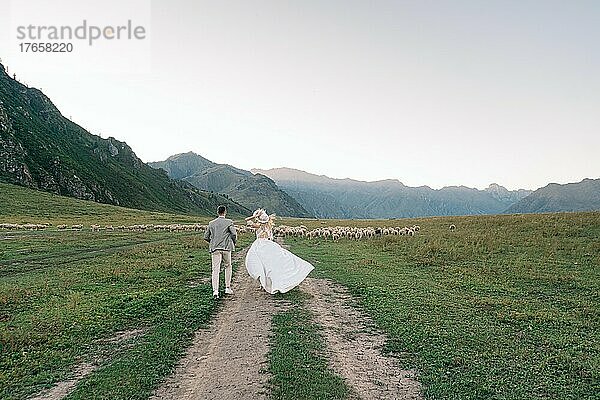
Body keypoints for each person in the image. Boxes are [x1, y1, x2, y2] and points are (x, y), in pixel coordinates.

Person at [245, 209, 314, 294]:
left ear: (258, 218)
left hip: (259, 246)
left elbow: (246, 220)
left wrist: (254, 216)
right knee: (270, 265)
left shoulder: (258, 226)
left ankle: (263, 284)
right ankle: (269, 283)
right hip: (269, 245)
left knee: (261, 265)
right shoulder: (269, 226)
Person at [204, 205, 237, 299]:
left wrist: (212, 242)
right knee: (228, 266)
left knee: (215, 269)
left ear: (217, 212)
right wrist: (233, 242)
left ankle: (215, 291)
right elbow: (234, 233)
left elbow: (206, 236)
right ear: (225, 212)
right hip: (226, 248)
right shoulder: (229, 222)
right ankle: (227, 287)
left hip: (215, 249)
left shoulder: (211, 223)